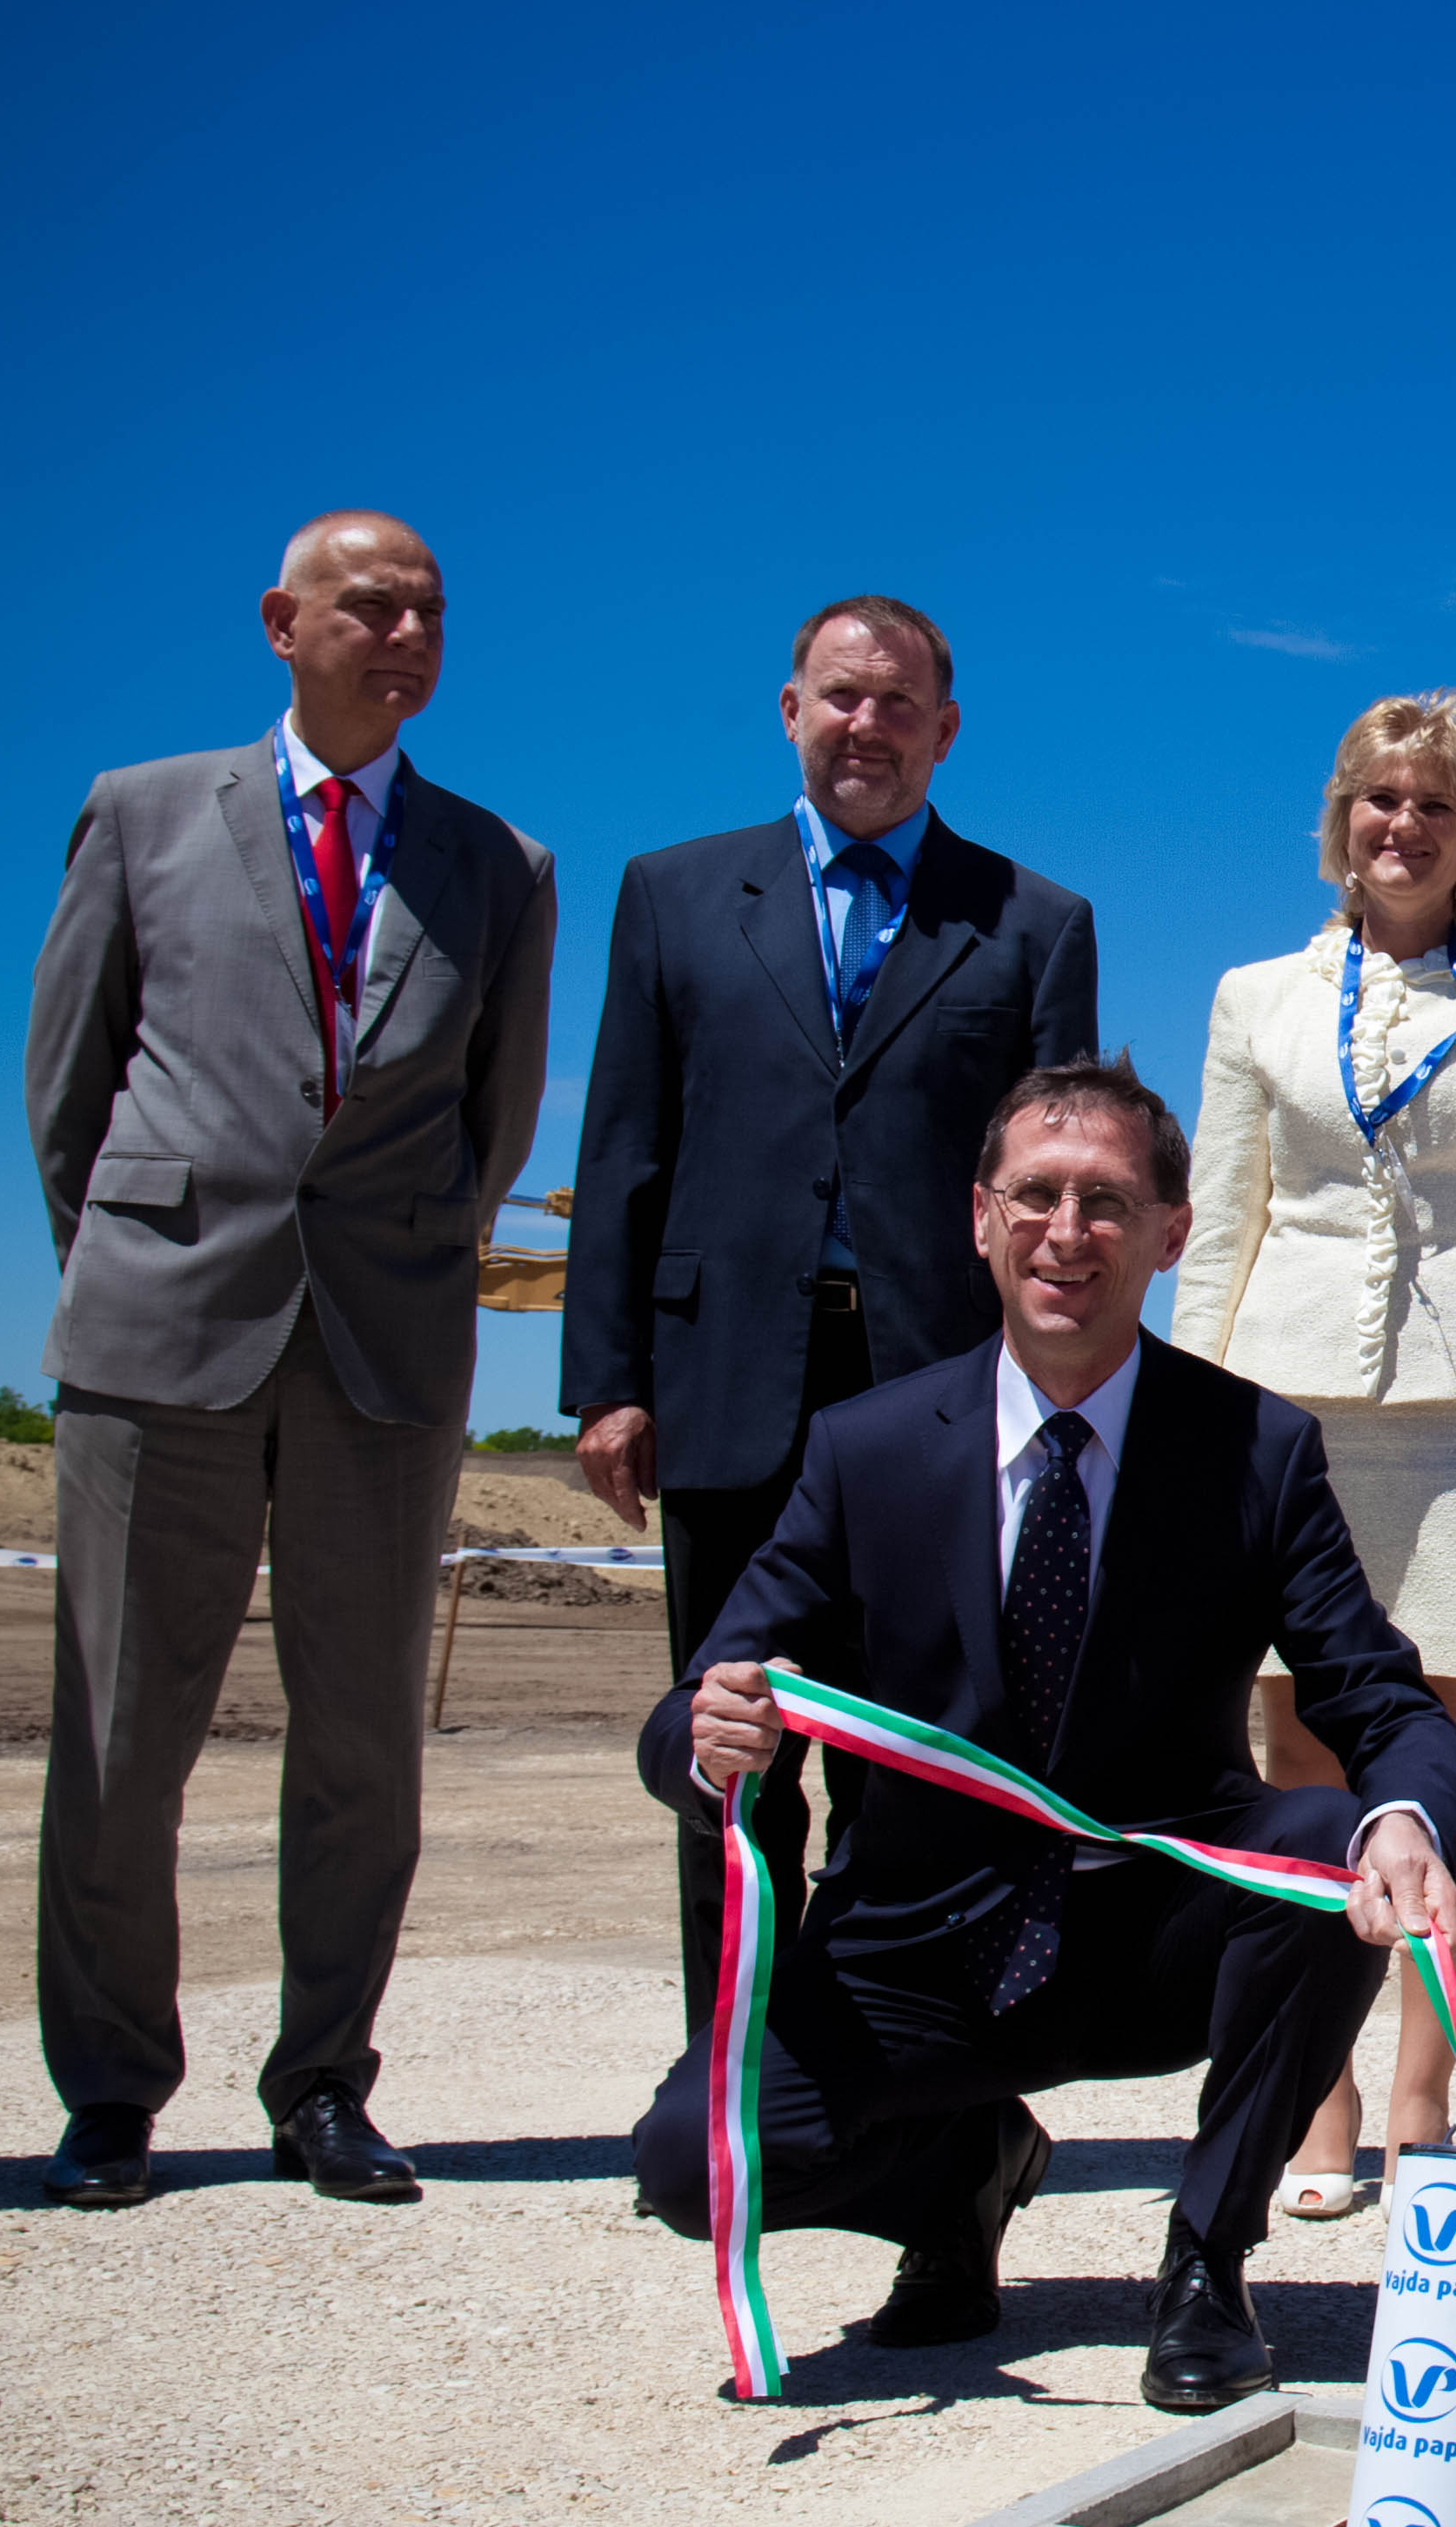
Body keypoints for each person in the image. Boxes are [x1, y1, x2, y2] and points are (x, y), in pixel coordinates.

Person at [629, 1057, 1456, 2411]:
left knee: (1324, 1845)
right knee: (690, 2165)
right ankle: (958, 2179)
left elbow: (1375, 1690)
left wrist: (1405, 1818)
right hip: (920, 1941)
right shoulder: (864, 1449)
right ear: (980, 1216)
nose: (1066, 1234)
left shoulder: (1255, 1449)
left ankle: (1208, 2256)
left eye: (1107, 1203)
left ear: (1171, 1235)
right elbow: (711, 1691)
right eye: (1036, 1195)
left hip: (1159, 1929)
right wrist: (706, 1737)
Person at [23, 511, 558, 2209]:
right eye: (369, 602)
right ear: (283, 621)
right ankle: (111, 2091)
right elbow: (68, 1085)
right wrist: (138, 1259)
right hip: (159, 1334)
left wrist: (396, 1264)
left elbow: (494, 1130)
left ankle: (324, 2080)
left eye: (429, 609)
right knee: (120, 1735)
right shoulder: (140, 813)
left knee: (360, 1742)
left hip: (381, 1353)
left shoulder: (500, 865)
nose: (403, 629)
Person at [563, 596, 1098, 2037]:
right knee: (726, 1753)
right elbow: (624, 1146)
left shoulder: (1035, 923)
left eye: (899, 703)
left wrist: (1054, 1392)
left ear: (946, 729)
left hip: (930, 1398)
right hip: (725, 1385)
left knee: (910, 1760)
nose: (868, 726)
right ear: (790, 709)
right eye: (840, 698)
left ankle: (887, 2075)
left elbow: (1057, 1183)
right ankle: (728, 2079)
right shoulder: (673, 895)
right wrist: (608, 1380)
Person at [1171, 692, 1456, 2208]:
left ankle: (1429, 2082)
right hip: (1282, 1411)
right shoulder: (1253, 1002)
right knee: (1300, 1759)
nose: (1401, 828)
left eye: (1433, 805)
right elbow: (1218, 1228)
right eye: (1377, 799)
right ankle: (1320, 2093)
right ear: (1339, 819)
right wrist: (1178, 1426)